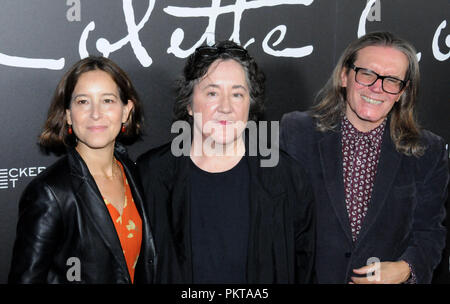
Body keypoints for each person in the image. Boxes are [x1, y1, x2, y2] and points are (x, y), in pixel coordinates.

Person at [137, 40, 315, 283]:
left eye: (237, 94)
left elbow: (304, 269)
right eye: (212, 93)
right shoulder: (151, 175)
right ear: (189, 104)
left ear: (250, 105)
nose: (225, 107)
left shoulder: (287, 177)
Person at [280, 31, 449, 284]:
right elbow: (270, 220)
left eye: (391, 80)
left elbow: (430, 231)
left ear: (402, 92)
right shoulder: (296, 132)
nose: (377, 87)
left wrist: (405, 268)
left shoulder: (428, 150)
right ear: (344, 76)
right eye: (367, 74)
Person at [8, 56, 156, 284]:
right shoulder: (51, 193)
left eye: (107, 100)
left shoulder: (134, 173)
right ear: (68, 114)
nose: (95, 113)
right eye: (83, 102)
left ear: (126, 111)